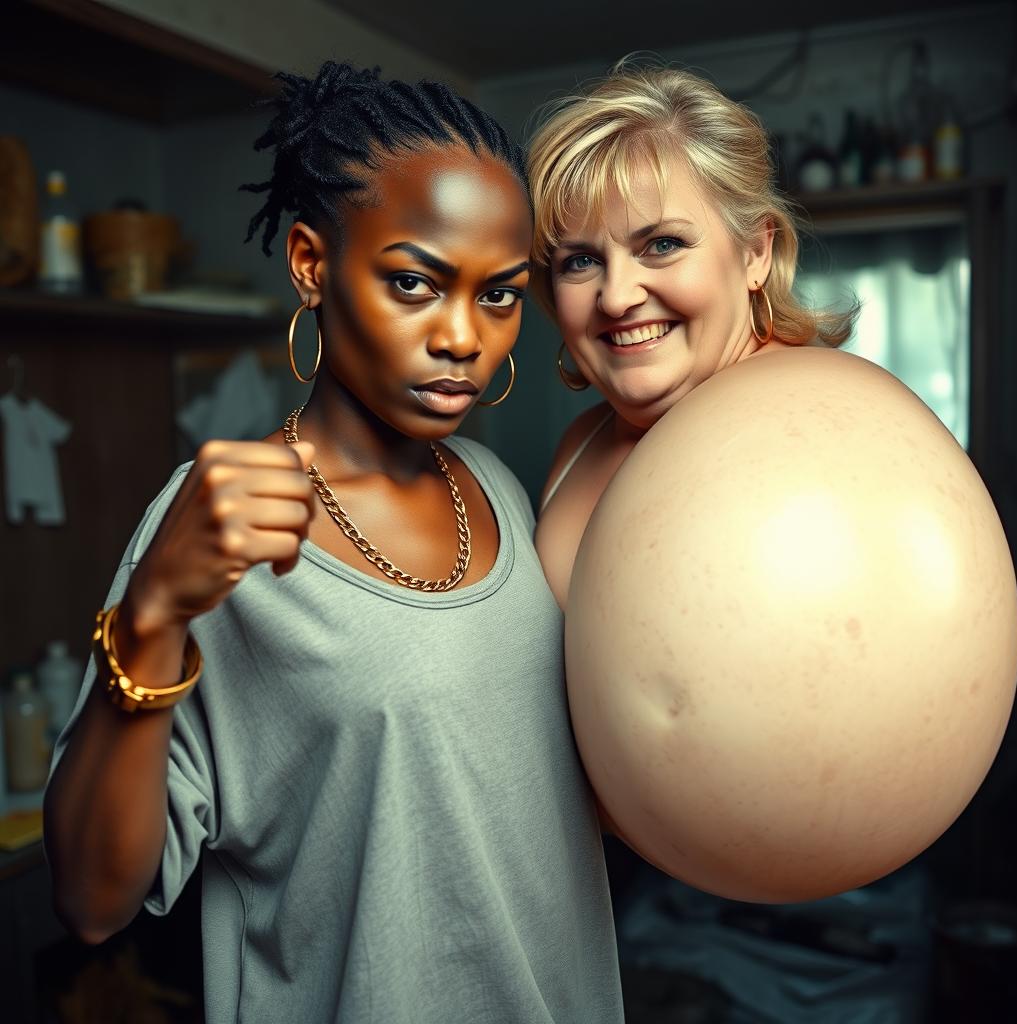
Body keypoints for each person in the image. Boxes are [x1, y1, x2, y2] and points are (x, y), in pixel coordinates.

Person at [44, 61, 624, 1024]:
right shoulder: (215, 523)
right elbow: (93, 904)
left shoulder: (500, 491)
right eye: (414, 282)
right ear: (312, 264)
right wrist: (150, 614)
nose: (463, 338)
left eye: (500, 296)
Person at [527, 60, 857, 609]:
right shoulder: (582, 440)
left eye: (661, 245)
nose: (616, 296)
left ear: (755, 251)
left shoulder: (813, 418)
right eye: (581, 260)